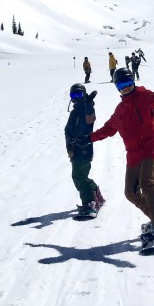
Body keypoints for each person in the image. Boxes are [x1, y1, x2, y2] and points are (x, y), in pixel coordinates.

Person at [90, 67, 154, 248]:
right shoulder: (120, 110)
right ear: (117, 87)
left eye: (129, 83)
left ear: (133, 82)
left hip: (150, 148)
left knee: (147, 184)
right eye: (122, 84)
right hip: (133, 154)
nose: (126, 87)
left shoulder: (144, 96)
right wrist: (87, 139)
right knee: (131, 193)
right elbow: (107, 129)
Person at [64, 83, 104, 217]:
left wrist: (88, 104)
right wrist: (69, 146)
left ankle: (90, 204)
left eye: (79, 94)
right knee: (80, 176)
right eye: (73, 95)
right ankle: (95, 194)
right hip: (75, 150)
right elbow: (68, 131)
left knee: (79, 177)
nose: (76, 98)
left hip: (84, 149)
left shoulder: (86, 108)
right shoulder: (75, 111)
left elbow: (90, 119)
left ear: (84, 95)